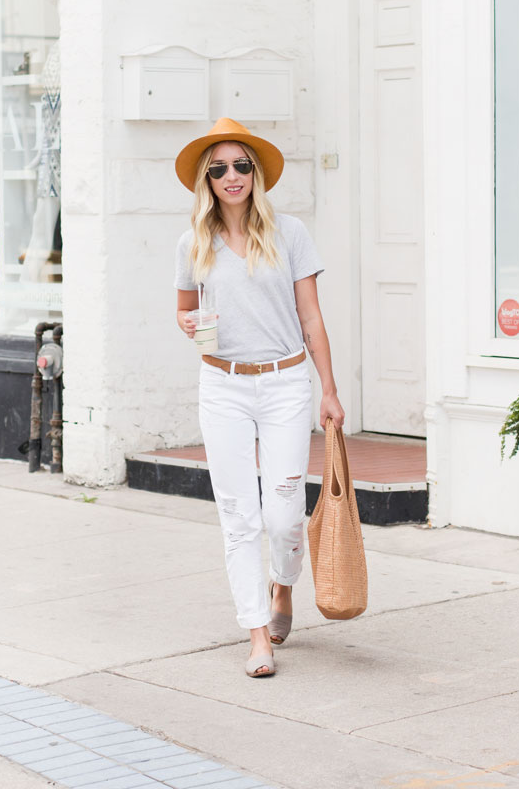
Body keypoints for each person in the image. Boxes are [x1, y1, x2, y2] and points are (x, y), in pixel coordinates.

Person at [174, 117, 344, 678]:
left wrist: (330, 390)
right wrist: (195, 325)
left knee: (285, 514)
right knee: (238, 515)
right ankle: (256, 635)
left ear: (256, 174)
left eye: (241, 165)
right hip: (222, 384)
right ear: (207, 179)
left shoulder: (290, 233)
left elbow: (311, 316)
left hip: (286, 384)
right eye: (218, 168)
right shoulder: (192, 242)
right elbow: (183, 309)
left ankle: (283, 586)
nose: (231, 176)